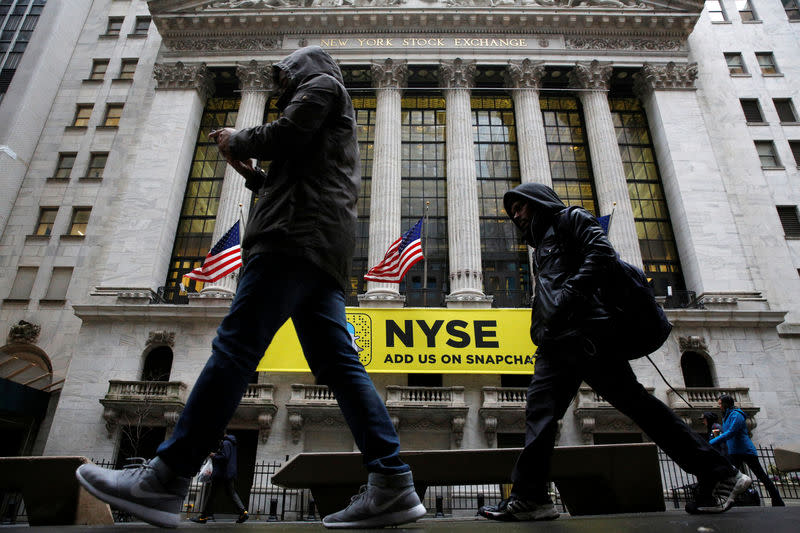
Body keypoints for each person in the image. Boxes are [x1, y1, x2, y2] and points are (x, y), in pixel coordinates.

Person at [75, 46, 426, 529]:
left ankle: (165, 479)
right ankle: (392, 483)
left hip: (289, 241)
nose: (283, 90)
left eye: (285, 81)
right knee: (340, 367)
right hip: (316, 247)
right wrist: (252, 174)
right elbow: (301, 174)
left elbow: (286, 133)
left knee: (236, 350)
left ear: (301, 71)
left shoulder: (322, 87)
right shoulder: (327, 116)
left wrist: (240, 138)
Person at [479, 183, 751, 522]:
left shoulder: (570, 219)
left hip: (587, 334)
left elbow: (602, 254)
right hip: (558, 339)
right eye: (512, 212)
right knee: (544, 412)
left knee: (628, 407)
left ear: (538, 202)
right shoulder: (542, 246)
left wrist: (570, 297)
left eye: (520, 207)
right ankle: (531, 497)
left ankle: (721, 474)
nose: (516, 216)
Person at [711, 395, 785, 506]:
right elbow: (727, 433)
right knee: (730, 477)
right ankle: (733, 500)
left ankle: (777, 500)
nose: (719, 406)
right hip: (734, 452)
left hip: (746, 451)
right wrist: (718, 436)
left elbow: (731, 432)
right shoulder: (726, 417)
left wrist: (712, 441)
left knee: (761, 476)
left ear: (726, 404)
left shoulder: (737, 415)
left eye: (720, 404)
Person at [191, 431, 248, 524]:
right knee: (231, 493)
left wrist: (213, 455)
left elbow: (224, 457)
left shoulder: (225, 443)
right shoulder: (231, 443)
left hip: (222, 473)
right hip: (228, 473)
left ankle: (203, 517)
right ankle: (243, 512)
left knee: (211, 495)